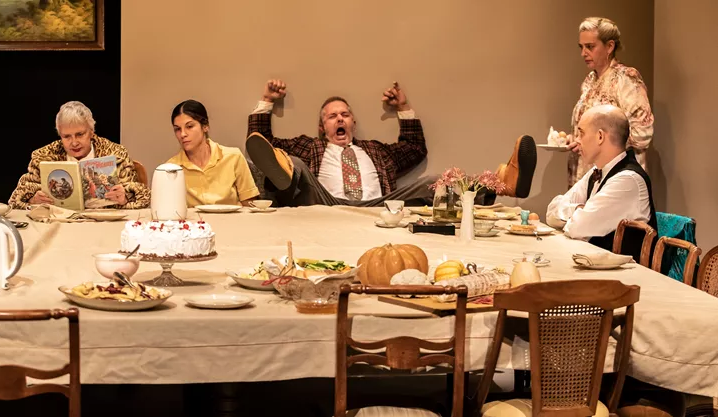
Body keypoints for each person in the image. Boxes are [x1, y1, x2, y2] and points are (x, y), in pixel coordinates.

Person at [246, 79, 536, 207]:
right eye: (332, 116)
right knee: (294, 163)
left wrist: (403, 107)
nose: (340, 119)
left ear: (353, 122)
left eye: (345, 114)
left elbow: (414, 148)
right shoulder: (312, 146)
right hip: (327, 202)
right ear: (323, 128)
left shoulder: (375, 150)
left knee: (434, 181)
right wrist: (268, 100)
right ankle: (286, 181)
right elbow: (262, 144)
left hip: (381, 206)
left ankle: (500, 185)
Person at [547, 104, 657, 262]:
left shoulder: (628, 180)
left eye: (581, 133)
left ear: (600, 137)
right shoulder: (596, 171)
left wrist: (574, 214)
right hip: (596, 266)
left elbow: (577, 227)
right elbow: (551, 211)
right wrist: (578, 209)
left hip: (627, 274)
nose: (577, 141)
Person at [564, 17, 654, 188]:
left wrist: (599, 144)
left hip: (616, 177)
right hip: (588, 175)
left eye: (590, 46)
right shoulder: (589, 81)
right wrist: (576, 138)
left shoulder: (626, 79)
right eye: (581, 47)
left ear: (610, 46)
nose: (583, 53)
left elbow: (642, 132)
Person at [9, 101, 150, 209]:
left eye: (80, 134)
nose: (74, 142)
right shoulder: (43, 157)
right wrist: (33, 200)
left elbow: (143, 197)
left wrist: (124, 198)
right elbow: (15, 200)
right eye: (67, 136)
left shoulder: (116, 154)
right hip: (60, 224)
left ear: (91, 132)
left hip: (103, 224)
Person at [167, 99, 260, 207]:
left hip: (232, 218)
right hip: (193, 218)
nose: (183, 134)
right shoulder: (171, 168)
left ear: (205, 126)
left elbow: (249, 205)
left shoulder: (233, 157)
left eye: (189, 126)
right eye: (177, 129)